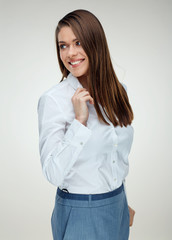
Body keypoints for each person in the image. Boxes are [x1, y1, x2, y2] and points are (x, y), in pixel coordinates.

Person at [37, 9, 135, 240]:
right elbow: (52, 172)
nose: (70, 53)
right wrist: (79, 124)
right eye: (63, 45)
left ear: (96, 43)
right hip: (80, 210)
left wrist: (121, 201)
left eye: (78, 42)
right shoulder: (54, 100)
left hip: (117, 205)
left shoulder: (119, 91)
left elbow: (114, 156)